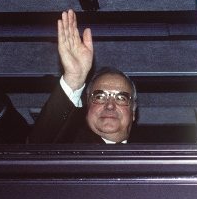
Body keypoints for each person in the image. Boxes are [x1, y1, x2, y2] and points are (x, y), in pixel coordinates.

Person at [28, 9, 138, 144]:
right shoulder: (67, 146)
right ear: (88, 106)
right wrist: (74, 78)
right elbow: (37, 146)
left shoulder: (155, 154)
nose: (110, 105)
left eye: (121, 98)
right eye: (99, 97)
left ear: (133, 112)